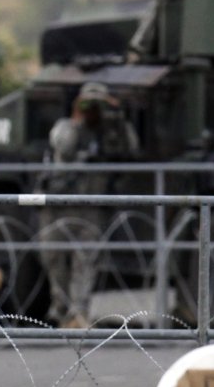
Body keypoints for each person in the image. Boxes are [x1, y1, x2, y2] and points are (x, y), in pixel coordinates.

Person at [39, 82, 140, 328]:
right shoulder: (65, 127)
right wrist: (77, 118)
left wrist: (119, 118)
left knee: (85, 261)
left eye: (98, 105)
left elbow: (131, 151)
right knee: (54, 258)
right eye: (88, 104)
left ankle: (78, 312)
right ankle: (59, 307)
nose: (93, 110)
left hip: (92, 206)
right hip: (58, 204)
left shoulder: (111, 131)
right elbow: (65, 148)